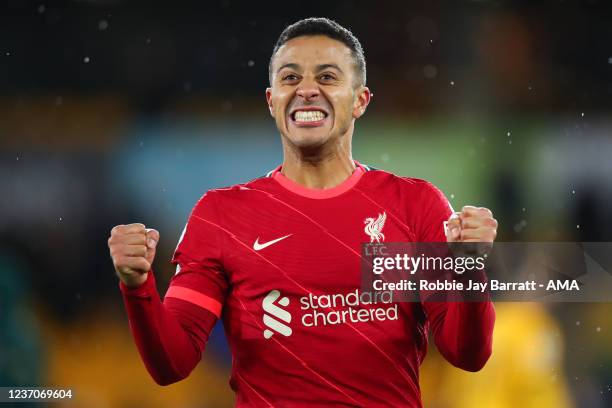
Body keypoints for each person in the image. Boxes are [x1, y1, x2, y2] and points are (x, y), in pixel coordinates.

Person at [108, 17, 497, 407]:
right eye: (290, 78)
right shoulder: (220, 215)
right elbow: (171, 365)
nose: (307, 90)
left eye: (327, 77)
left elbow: (467, 354)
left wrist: (469, 267)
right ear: (271, 99)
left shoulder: (414, 206)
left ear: (360, 100)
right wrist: (137, 285)